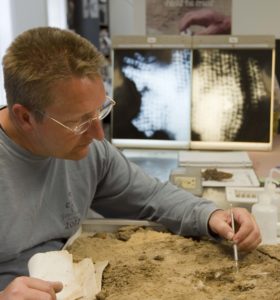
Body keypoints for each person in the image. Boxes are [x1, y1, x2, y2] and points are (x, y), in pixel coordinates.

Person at [0, 27, 260, 299]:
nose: (98, 135)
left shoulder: (90, 151)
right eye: (78, 122)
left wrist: (211, 216)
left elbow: (152, 196)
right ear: (26, 118)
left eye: (100, 112)